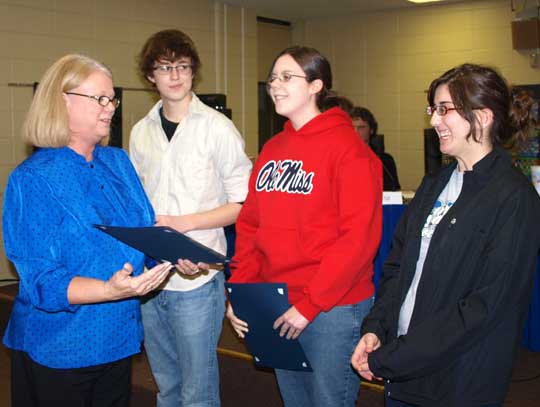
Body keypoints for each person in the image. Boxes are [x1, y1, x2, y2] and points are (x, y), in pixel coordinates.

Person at [351, 63, 540, 407]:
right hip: (405, 371)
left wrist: (398, 356)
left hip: (459, 381)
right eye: (432, 110)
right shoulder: (434, 184)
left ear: (482, 117)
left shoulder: (514, 199)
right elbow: (398, 269)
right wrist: (376, 328)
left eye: (444, 110)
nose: (434, 121)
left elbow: (483, 307)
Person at [2, 54, 172, 407]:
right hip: (60, 347)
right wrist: (108, 289)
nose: (110, 108)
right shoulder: (32, 178)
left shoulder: (118, 162)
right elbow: (41, 281)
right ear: (62, 100)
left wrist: (170, 256)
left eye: (112, 98)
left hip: (118, 337)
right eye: (100, 99)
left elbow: (144, 231)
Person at [226, 46, 383, 407]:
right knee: (294, 401)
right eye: (272, 79)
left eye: (287, 77)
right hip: (278, 302)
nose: (275, 86)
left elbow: (359, 240)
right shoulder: (272, 149)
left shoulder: (350, 150)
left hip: (332, 308)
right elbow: (250, 229)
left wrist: (310, 305)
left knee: (329, 401)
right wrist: (242, 294)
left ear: (316, 85)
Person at [129, 29, 252, 407]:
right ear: (151, 75)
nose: (176, 76)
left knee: (197, 394)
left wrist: (185, 224)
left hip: (197, 280)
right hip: (151, 281)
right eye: (166, 68)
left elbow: (244, 204)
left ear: (193, 72)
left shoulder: (218, 128)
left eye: (183, 67)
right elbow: (137, 205)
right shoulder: (139, 132)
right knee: (166, 388)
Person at [350, 106, 401, 191]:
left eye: (361, 128)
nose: (355, 132)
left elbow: (393, 188)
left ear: (371, 130)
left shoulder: (385, 161)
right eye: (352, 127)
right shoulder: (340, 159)